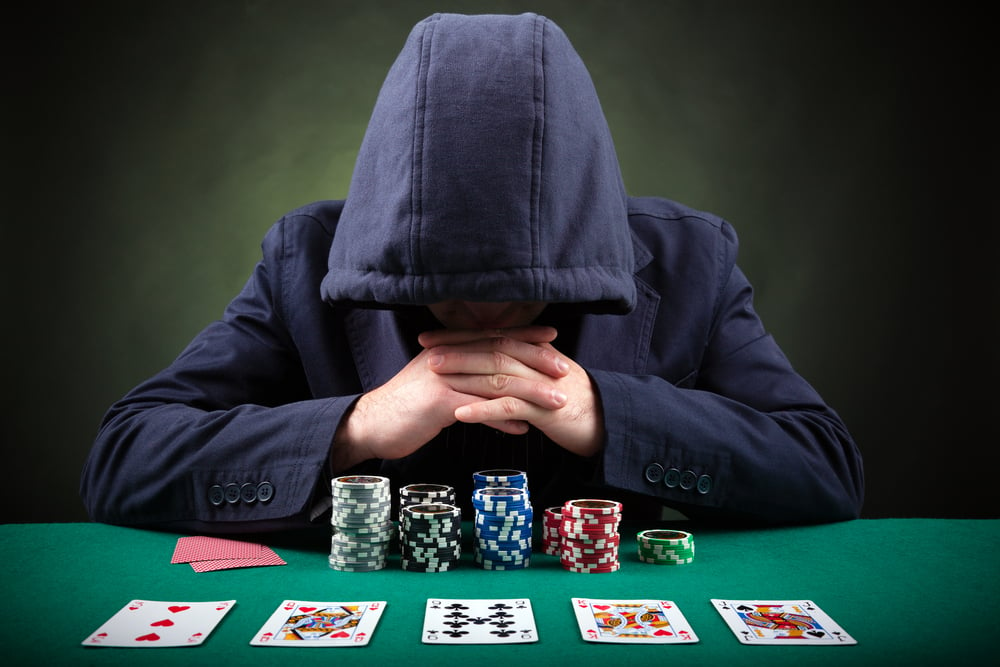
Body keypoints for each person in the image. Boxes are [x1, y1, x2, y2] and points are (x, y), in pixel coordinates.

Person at [80, 12, 863, 533]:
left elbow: (826, 469)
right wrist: (357, 427)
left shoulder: (693, 260)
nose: (488, 323)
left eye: (521, 286)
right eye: (448, 289)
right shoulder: (303, 260)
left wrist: (611, 417)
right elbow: (122, 459)